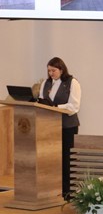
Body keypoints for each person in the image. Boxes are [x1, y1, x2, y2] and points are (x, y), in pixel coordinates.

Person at [37, 56, 81, 196]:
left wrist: (56, 107)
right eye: (49, 71)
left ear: (61, 70)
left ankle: (68, 191)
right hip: (49, 126)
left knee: (67, 158)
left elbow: (74, 107)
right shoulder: (46, 83)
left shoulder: (72, 83)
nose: (51, 73)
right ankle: (53, 189)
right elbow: (41, 102)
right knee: (52, 158)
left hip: (67, 126)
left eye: (53, 70)